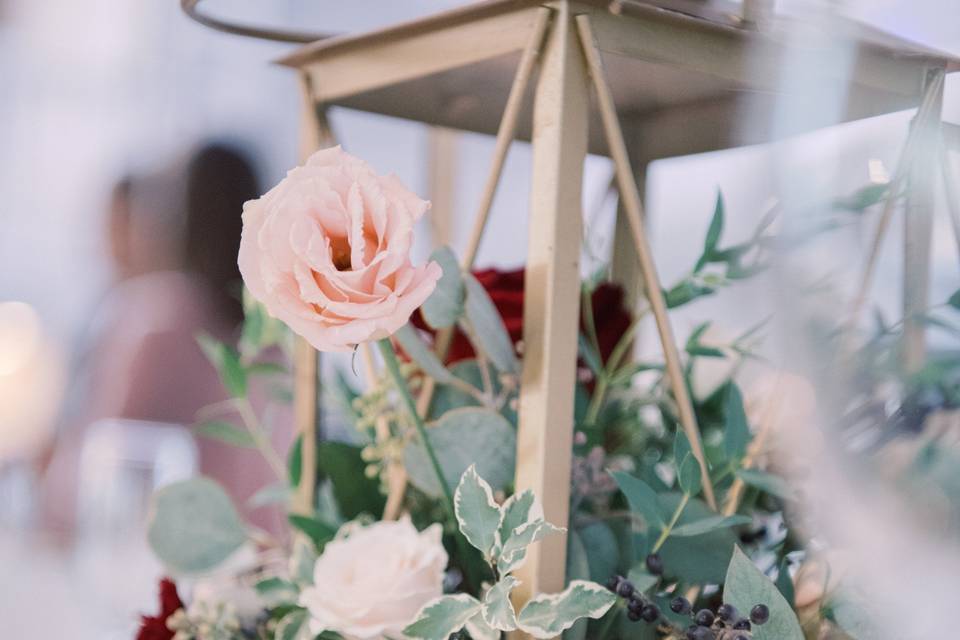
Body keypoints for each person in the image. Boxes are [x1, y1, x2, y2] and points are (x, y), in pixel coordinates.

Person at [40, 142, 288, 538]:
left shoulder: (157, 317)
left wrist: (46, 471)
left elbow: (81, 486)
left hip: (164, 577)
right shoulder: (281, 333)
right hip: (263, 568)